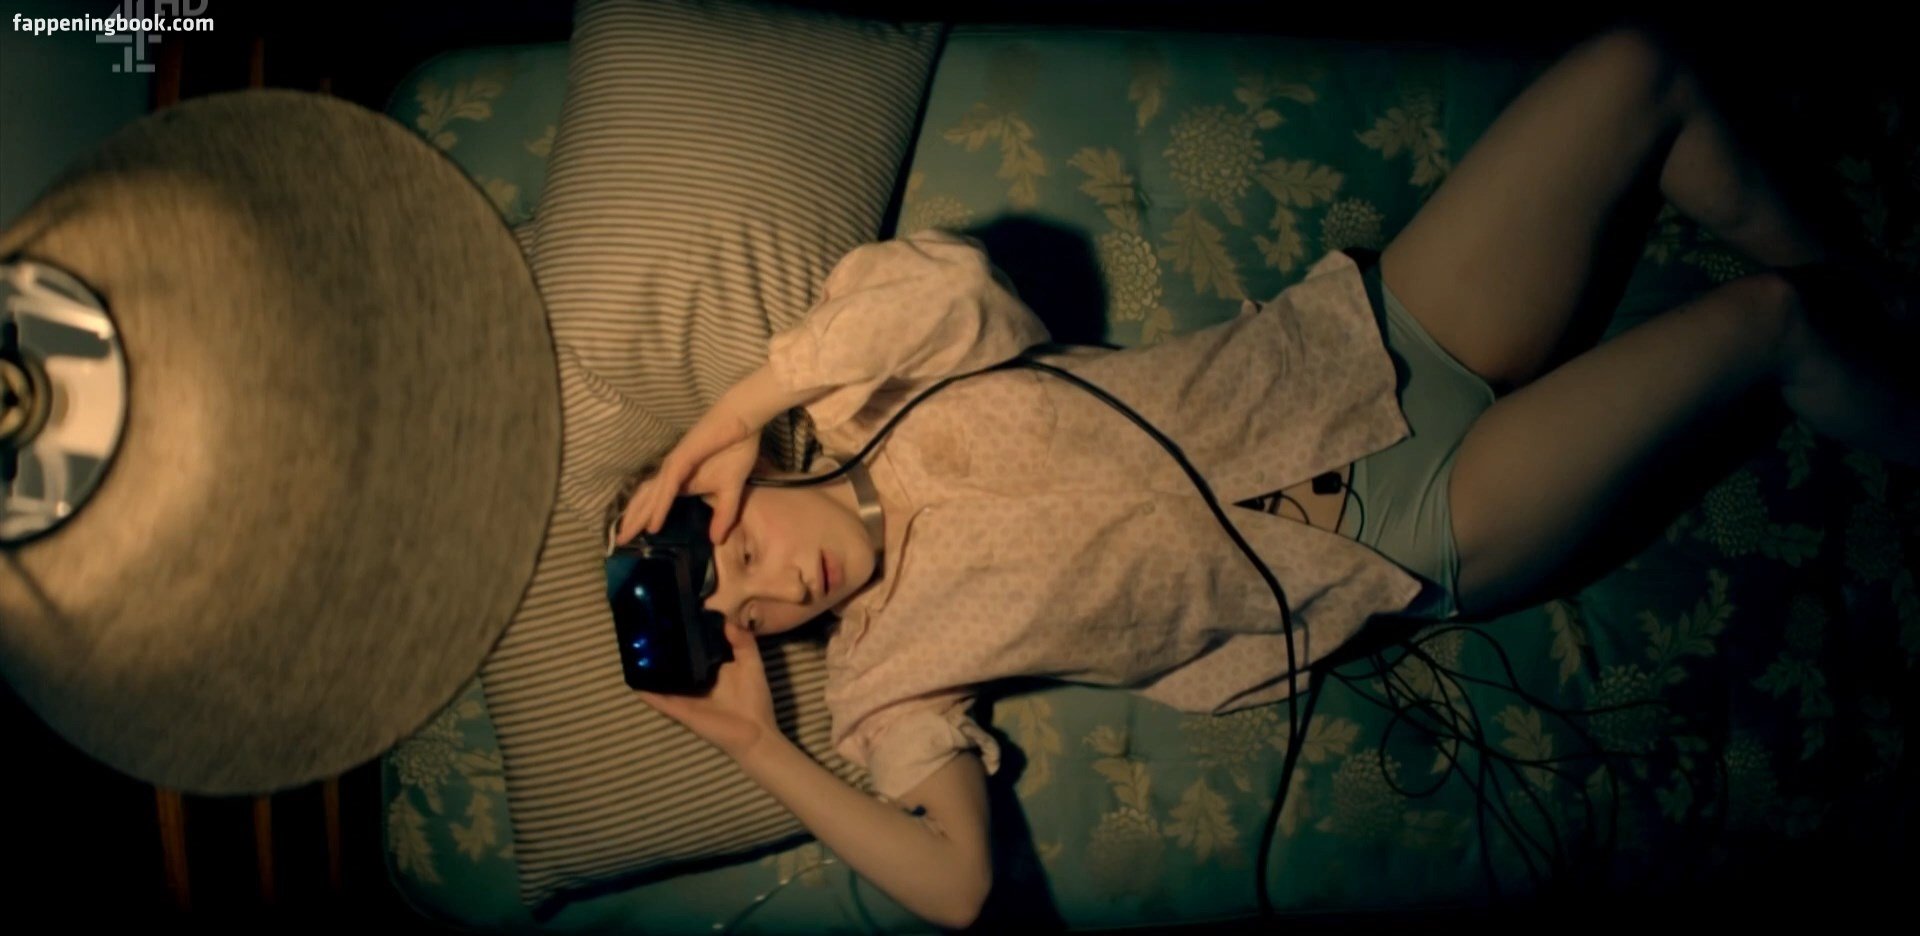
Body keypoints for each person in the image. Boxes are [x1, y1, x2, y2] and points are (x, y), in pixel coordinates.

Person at [613, 24, 1918, 930]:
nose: (777, 594)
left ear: (733, 493)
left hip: (1372, 343)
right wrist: (754, 741)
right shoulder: (882, 678)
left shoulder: (868, 391)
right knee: (1769, 323)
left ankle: (1890, 309)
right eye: (749, 619)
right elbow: (958, 890)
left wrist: (737, 412)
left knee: (1639, 68)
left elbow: (957, 284)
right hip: (1408, 532)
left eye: (739, 555)